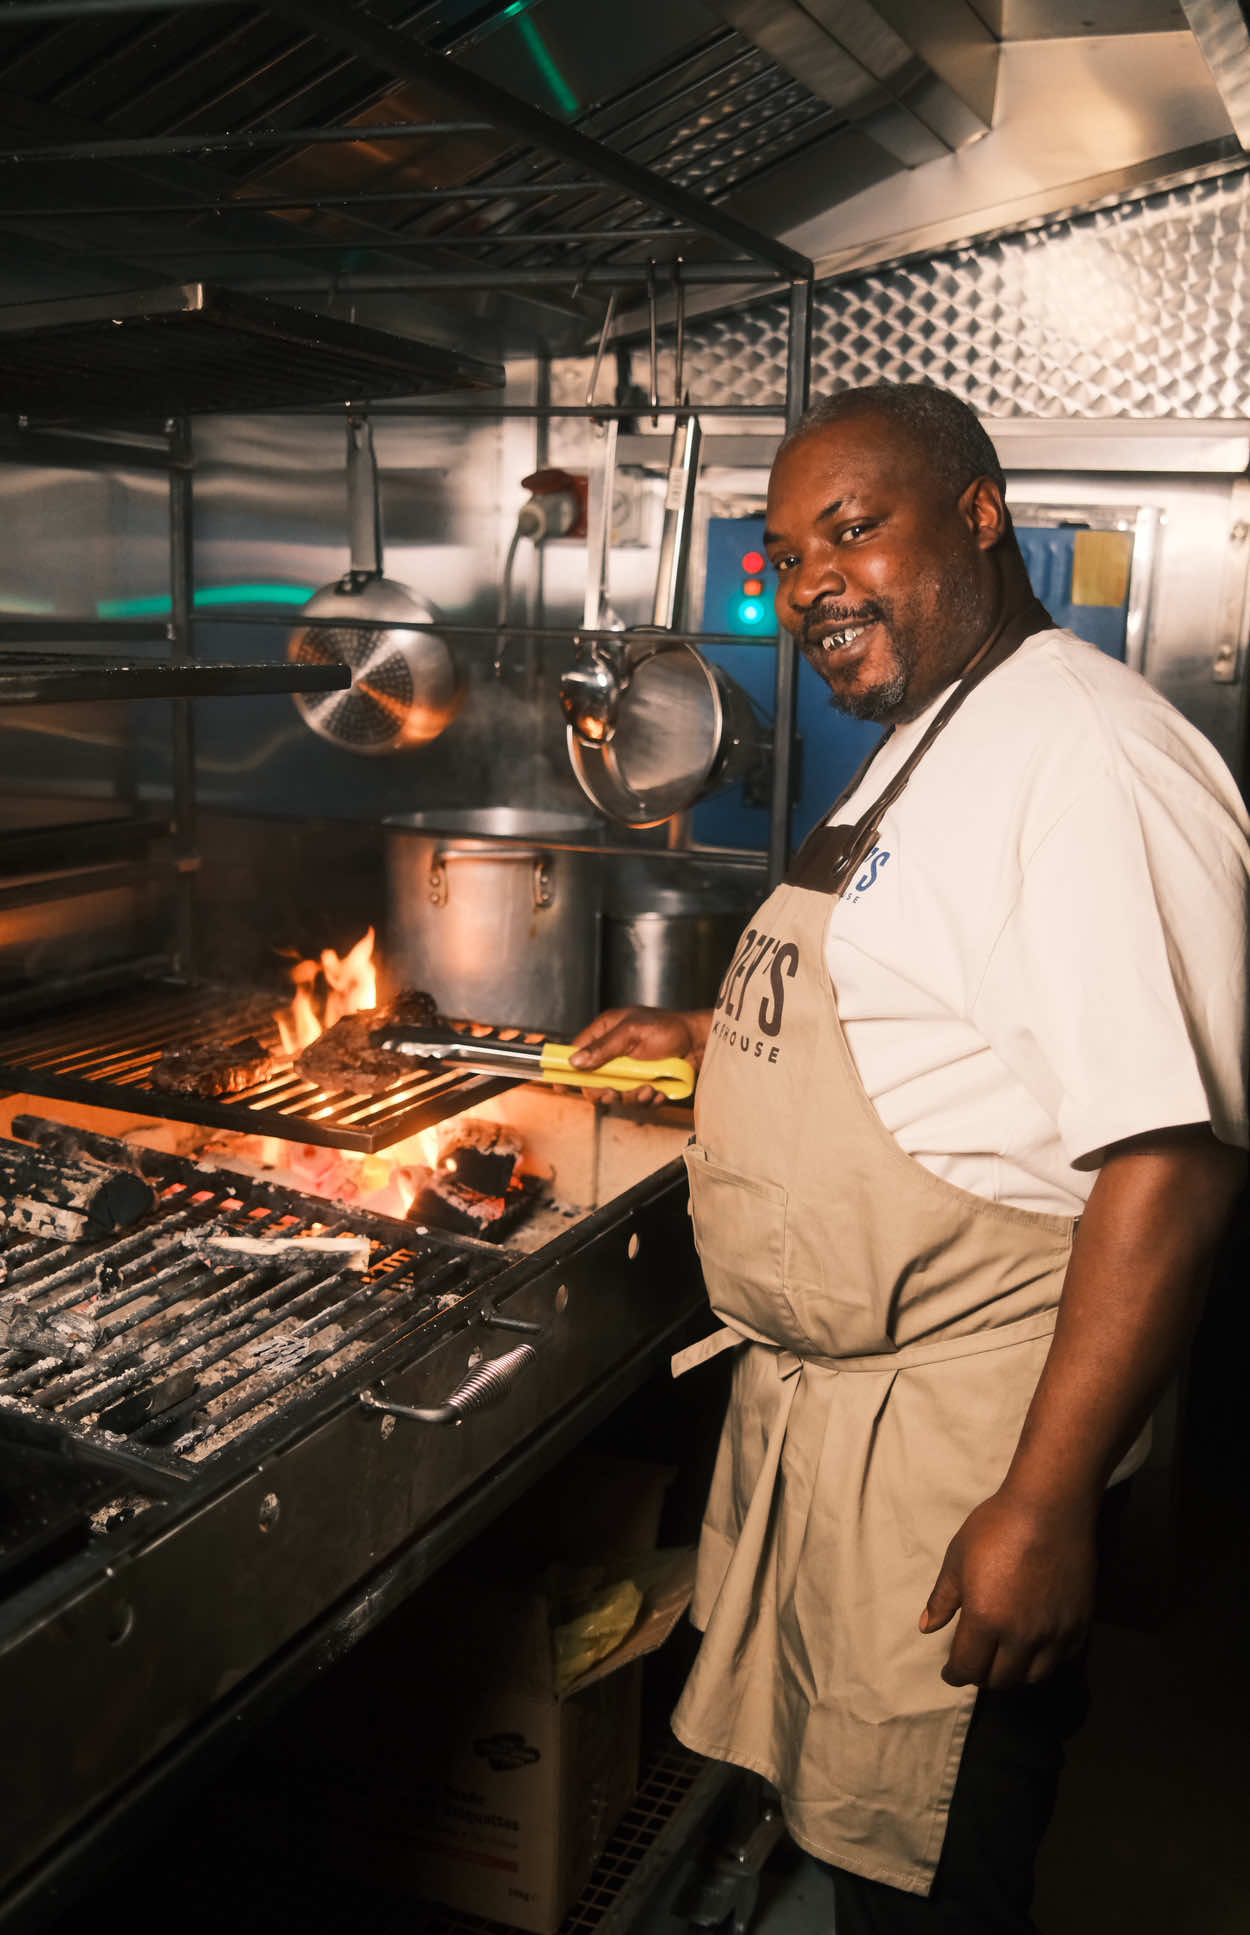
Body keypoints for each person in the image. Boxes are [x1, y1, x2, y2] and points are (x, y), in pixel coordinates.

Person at [569, 381, 1249, 1932]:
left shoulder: (1085, 756)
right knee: (857, 1847)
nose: (811, 582)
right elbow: (929, 1005)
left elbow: (1168, 1163)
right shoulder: (934, 727)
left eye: (852, 529)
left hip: (963, 1458)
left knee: (934, 1871)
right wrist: (713, 1036)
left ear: (981, 515)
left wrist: (1043, 1503)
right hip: (847, 1438)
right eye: (786, 552)